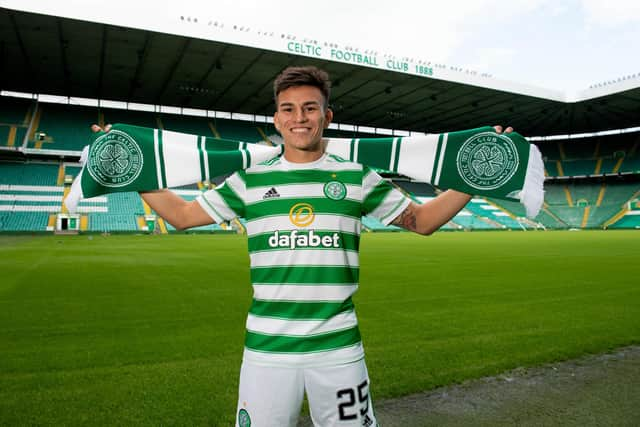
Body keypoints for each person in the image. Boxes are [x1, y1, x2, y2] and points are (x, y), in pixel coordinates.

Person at [93, 66, 512, 426]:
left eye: (310, 108)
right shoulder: (248, 180)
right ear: (276, 119)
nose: (299, 118)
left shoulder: (356, 177)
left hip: (338, 348)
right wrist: (129, 167)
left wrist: (479, 172)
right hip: (267, 349)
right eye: (288, 109)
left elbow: (422, 221)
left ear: (326, 116)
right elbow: (182, 216)